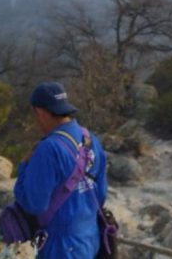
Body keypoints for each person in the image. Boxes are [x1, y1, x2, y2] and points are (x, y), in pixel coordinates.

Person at [13, 81, 108, 259]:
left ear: (40, 112)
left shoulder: (48, 149)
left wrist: (24, 168)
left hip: (61, 246)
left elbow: (35, 204)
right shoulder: (90, 139)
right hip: (90, 239)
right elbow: (101, 194)